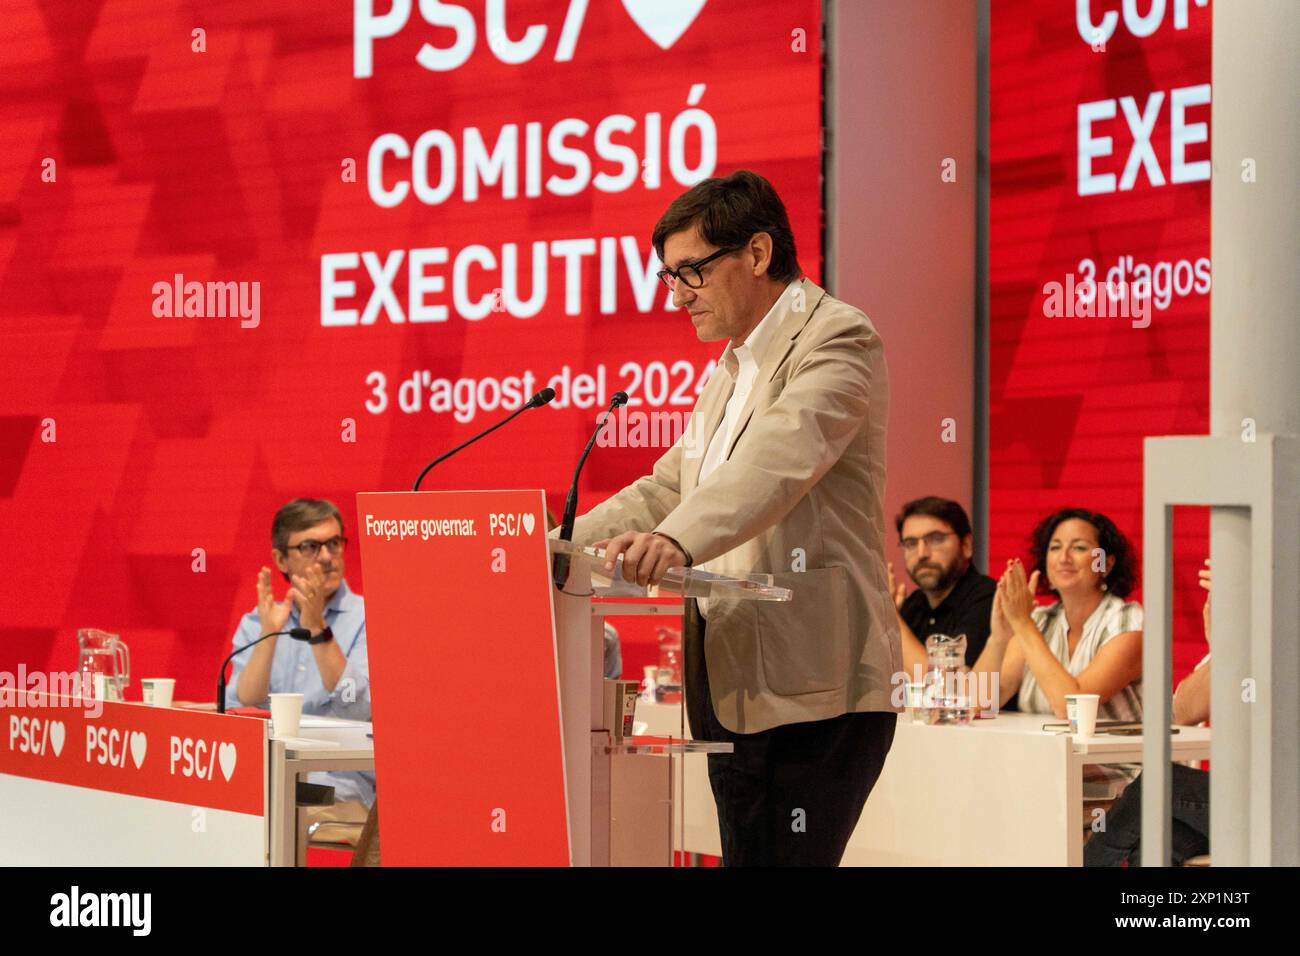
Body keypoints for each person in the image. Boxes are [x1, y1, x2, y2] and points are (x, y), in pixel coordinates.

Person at [564, 169, 901, 866]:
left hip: (816, 690)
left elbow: (776, 462)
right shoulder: (731, 368)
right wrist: (556, 547)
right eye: (668, 277)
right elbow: (669, 486)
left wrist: (675, 540)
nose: (678, 295)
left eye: (692, 272)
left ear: (756, 253)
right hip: (733, 680)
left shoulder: (838, 337)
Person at [226, 498, 373, 830]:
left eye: (334, 543)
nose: (326, 556)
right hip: (266, 785)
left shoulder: (370, 618)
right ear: (281, 559)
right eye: (310, 546)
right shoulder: (259, 622)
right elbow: (240, 710)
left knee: (277, 822)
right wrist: (270, 633)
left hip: (339, 792)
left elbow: (358, 707)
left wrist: (318, 630)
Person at [974, 507, 1144, 795]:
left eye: (1079, 547)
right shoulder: (1040, 620)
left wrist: (1023, 623)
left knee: (1005, 791)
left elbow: (1072, 708)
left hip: (1120, 775)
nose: (1064, 557)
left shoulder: (1129, 621)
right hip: (1044, 765)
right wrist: (999, 638)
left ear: (1106, 562)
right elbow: (979, 702)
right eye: (1055, 547)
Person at [1085, 559, 1212, 866]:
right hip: (1245, 792)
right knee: (1155, 840)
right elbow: (1182, 712)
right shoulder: (1254, 639)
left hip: (1278, 798)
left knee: (1157, 782)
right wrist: (1224, 644)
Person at [887, 496, 997, 678]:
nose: (922, 554)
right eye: (911, 543)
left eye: (936, 539)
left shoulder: (988, 598)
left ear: (967, 545)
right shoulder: (914, 604)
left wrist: (890, 619)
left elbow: (945, 684)